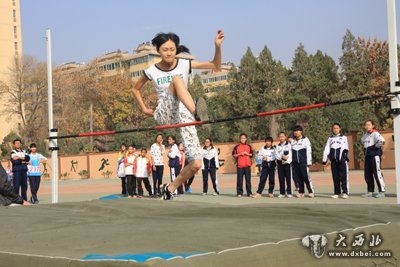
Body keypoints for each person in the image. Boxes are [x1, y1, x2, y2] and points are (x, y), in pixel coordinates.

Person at [132, 30, 224, 200]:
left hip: (184, 115)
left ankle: (170, 188)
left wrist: (217, 47)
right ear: (158, 50)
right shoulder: (151, 70)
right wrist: (144, 109)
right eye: (165, 49)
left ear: (176, 50)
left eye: (172, 49)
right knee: (177, 80)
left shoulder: (184, 63)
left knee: (196, 163)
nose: (169, 53)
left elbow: (215, 65)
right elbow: (135, 89)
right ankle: (198, 114)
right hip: (165, 112)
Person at [322, 123, 350, 199]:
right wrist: (324, 160)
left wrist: (342, 158)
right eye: (334, 128)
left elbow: (345, 148)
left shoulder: (344, 137)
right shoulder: (330, 138)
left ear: (340, 129)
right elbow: (327, 149)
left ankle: (345, 192)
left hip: (342, 160)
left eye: (337, 128)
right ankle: (337, 192)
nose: (335, 129)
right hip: (333, 161)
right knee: (335, 177)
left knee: (343, 176)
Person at [361, 120, 386, 198]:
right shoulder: (365, 135)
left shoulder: (375, 133)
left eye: (369, 124)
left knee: (377, 173)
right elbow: (363, 142)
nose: (367, 126)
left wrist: (375, 147)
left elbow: (382, 141)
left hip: (375, 156)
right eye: (366, 125)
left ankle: (381, 191)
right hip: (367, 157)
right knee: (367, 174)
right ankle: (370, 191)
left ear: (373, 126)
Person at [291, 125, 314, 198]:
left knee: (306, 177)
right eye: (295, 131)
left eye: (298, 131)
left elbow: (309, 151)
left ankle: (310, 191)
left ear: (301, 131)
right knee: (298, 178)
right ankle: (301, 192)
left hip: (303, 162)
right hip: (295, 163)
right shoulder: (293, 141)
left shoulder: (305, 140)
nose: (296, 132)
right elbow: (291, 152)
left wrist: (309, 162)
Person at [232, 133, 253, 198]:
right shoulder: (236, 146)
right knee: (239, 180)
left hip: (247, 166)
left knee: (248, 180)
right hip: (240, 166)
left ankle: (249, 193)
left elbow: (252, 154)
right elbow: (233, 155)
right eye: (241, 138)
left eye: (244, 138)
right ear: (240, 139)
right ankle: (239, 193)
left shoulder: (249, 146)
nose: (243, 139)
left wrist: (247, 154)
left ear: (246, 139)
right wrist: (239, 154)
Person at [275, 132, 293, 198]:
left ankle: (289, 192)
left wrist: (287, 161)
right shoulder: (277, 146)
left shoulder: (289, 145)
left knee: (288, 178)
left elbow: (291, 154)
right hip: (280, 164)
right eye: (280, 136)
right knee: (281, 179)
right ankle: (282, 193)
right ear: (279, 138)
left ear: (285, 137)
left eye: (282, 136)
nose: (281, 138)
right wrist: (281, 157)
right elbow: (276, 155)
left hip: (287, 164)